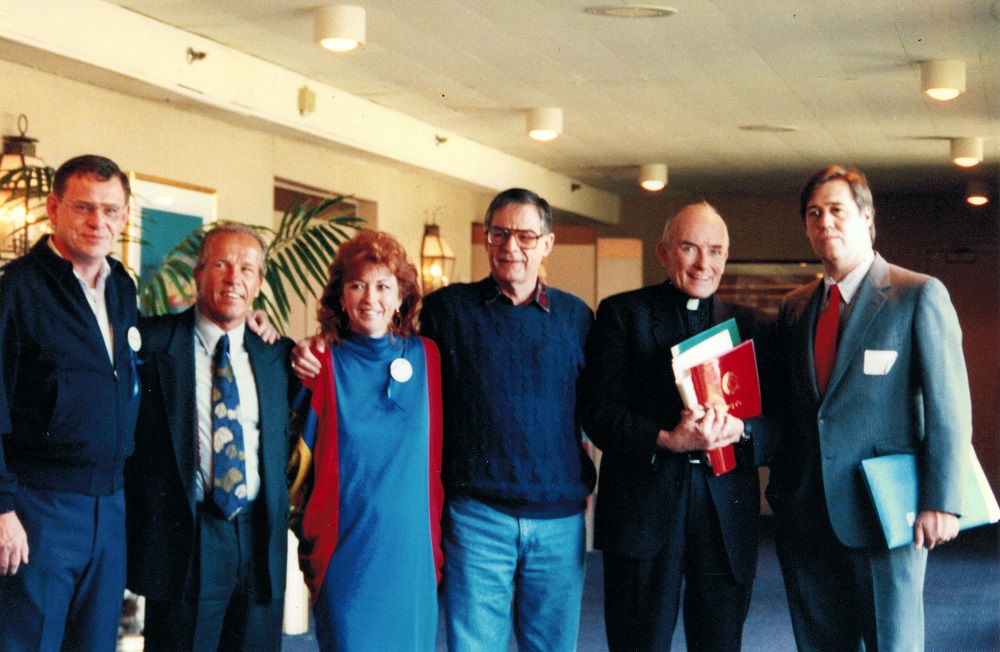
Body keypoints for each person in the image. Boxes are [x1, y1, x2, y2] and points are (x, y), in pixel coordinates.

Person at [291, 187, 596, 651]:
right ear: (487, 240)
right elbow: (376, 330)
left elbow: (595, 407)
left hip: (557, 520)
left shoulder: (577, 317)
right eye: (499, 234)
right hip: (477, 518)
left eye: (526, 236)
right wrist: (313, 344)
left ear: (547, 243)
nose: (511, 246)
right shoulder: (449, 311)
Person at [766, 165, 972, 651]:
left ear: (866, 218)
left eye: (837, 210)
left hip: (886, 513)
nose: (825, 223)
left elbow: (949, 407)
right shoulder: (795, 307)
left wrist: (942, 499)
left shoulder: (917, 294)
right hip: (807, 515)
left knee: (892, 643)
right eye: (814, 214)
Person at [580, 202, 776, 651]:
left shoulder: (753, 328)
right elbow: (597, 412)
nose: (703, 263)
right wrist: (666, 438)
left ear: (726, 256)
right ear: (664, 253)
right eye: (689, 248)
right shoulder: (620, 315)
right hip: (643, 509)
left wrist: (741, 432)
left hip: (725, 513)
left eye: (715, 250)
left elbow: (781, 427)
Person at [124, 223, 296, 651]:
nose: (233, 277)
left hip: (259, 537)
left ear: (257, 285)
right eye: (221, 264)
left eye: (246, 268)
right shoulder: (150, 343)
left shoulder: (277, 355)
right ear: (198, 273)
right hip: (187, 537)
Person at [0, 155, 139, 651]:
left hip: (110, 505)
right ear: (53, 208)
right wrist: (2, 508)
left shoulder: (123, 288)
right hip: (39, 507)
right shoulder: (16, 290)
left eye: (111, 210)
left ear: (124, 216)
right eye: (83, 208)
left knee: (97, 644)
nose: (98, 222)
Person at [288, 229, 443, 650]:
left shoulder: (427, 357)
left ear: (401, 298)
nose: (370, 297)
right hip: (346, 552)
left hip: (411, 553)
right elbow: (294, 462)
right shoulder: (320, 361)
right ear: (341, 296)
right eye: (357, 285)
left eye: (383, 286)